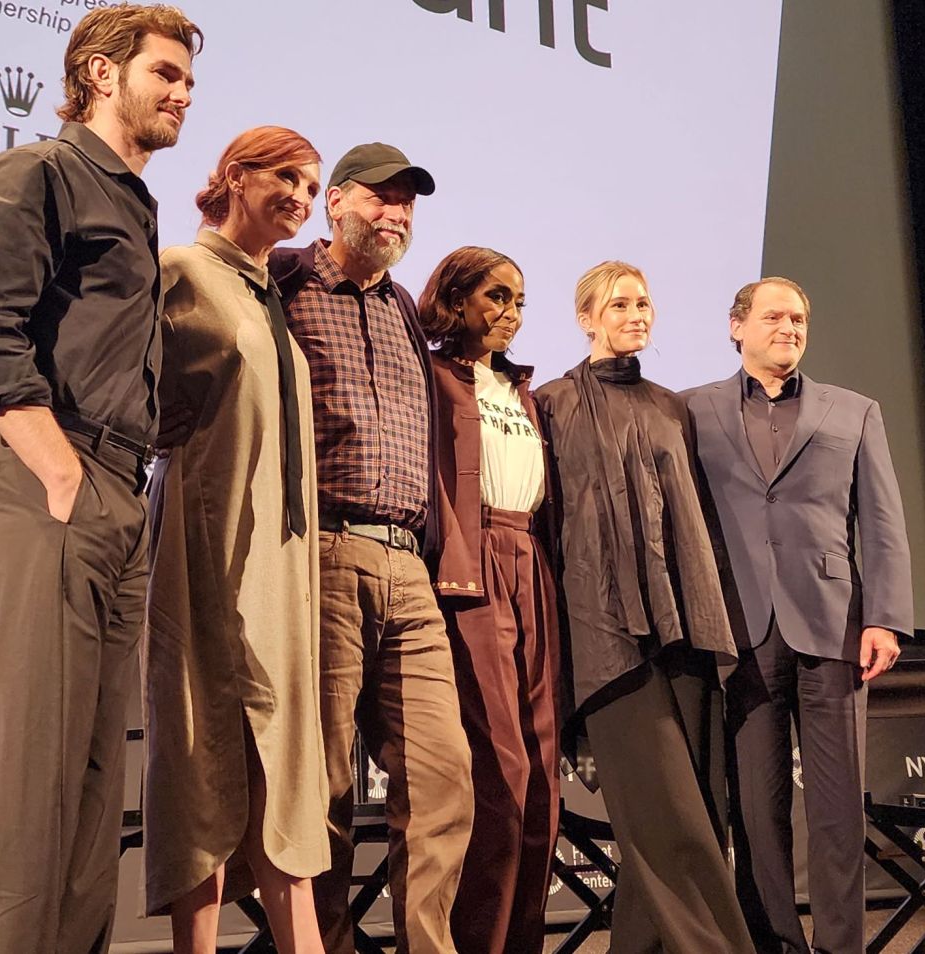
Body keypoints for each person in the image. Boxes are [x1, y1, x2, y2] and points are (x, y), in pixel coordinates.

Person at [0, 6, 202, 952]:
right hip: (59, 485)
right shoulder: (37, 172)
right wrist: (52, 460)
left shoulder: (134, 201)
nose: (182, 95)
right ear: (99, 73)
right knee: (25, 792)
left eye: (187, 82)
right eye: (166, 74)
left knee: (95, 800)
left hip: (119, 496)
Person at [268, 143, 474, 954]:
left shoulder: (406, 313)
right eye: (382, 198)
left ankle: (429, 945)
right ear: (336, 205)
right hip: (322, 550)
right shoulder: (282, 282)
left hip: (408, 565)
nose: (396, 214)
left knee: (442, 774)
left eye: (408, 204)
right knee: (324, 781)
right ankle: (326, 944)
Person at [683, 277, 913, 954]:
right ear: (737, 326)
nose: (791, 326)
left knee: (838, 807)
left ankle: (841, 945)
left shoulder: (854, 411)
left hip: (835, 624)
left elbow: (882, 522)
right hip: (739, 627)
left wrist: (886, 618)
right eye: (776, 316)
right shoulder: (693, 410)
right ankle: (773, 942)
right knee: (757, 805)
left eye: (800, 318)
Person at [143, 127, 328, 954]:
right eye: (286, 175)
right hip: (208, 539)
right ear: (234, 176)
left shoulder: (268, 297)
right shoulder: (181, 271)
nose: (301, 194)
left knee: (285, 765)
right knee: (203, 745)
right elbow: (110, 372)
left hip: (283, 563)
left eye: (312, 185)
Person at [535, 261, 755, 954]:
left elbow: (693, 523)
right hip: (605, 636)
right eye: (621, 303)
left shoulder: (671, 406)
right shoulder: (551, 404)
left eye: (644, 303)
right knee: (671, 820)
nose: (637, 314)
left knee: (691, 814)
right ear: (586, 316)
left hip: (684, 630)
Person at [416, 247, 560, 954]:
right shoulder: (435, 377)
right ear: (458, 298)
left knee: (542, 769)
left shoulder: (521, 389)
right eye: (497, 297)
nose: (510, 313)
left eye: (519, 302)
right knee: (500, 769)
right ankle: (481, 941)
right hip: (470, 569)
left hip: (528, 560)